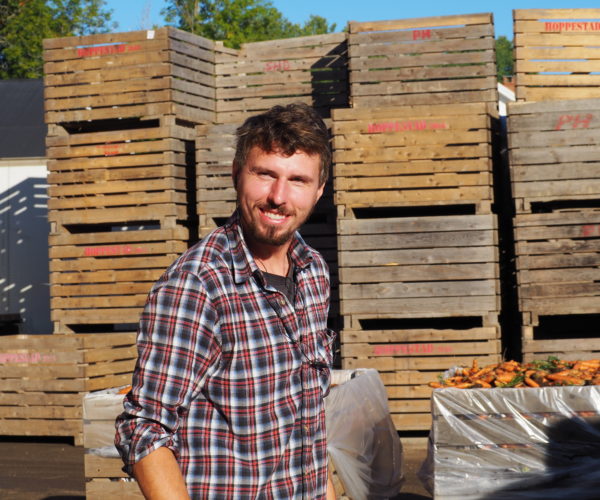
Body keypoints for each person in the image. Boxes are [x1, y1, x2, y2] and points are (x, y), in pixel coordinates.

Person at [115, 103, 337, 499]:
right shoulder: (197, 284)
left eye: (298, 180)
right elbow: (144, 428)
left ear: (318, 191)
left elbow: (308, 426)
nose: (278, 196)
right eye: (265, 174)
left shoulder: (313, 272)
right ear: (237, 175)